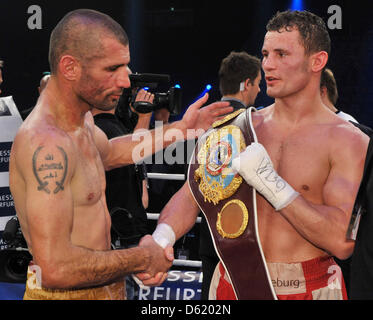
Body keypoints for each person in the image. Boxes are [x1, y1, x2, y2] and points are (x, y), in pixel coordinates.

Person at [8, 9, 232, 300]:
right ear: (70, 67)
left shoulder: (81, 121)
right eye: (112, 69)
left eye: (125, 67)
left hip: (105, 288)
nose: (126, 81)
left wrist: (180, 129)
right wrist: (141, 257)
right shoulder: (46, 143)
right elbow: (56, 268)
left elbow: (112, 152)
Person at [151, 10, 369, 300]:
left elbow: (341, 242)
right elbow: (189, 197)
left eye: (281, 54)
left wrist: (271, 183)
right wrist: (160, 239)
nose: (267, 64)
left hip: (309, 288)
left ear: (317, 61)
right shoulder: (236, 130)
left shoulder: (349, 140)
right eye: (265, 54)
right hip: (233, 283)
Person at [198, 51, 262, 300]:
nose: (259, 91)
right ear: (247, 84)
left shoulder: (199, 122)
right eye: (257, 84)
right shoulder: (257, 124)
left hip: (207, 237)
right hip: (243, 237)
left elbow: (192, 183)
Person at [92, 87, 155, 300]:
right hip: (117, 235)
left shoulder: (115, 126)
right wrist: (145, 116)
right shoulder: (99, 131)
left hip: (125, 231)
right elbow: (137, 150)